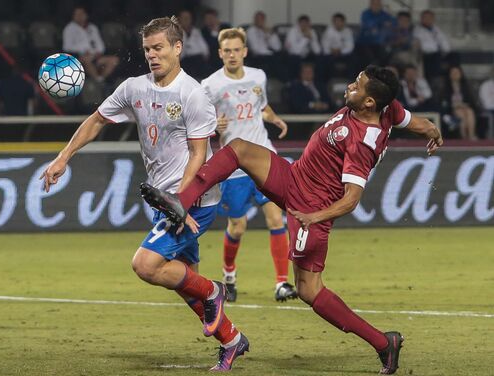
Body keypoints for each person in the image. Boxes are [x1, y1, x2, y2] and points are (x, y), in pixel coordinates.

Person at [141, 65, 443, 375]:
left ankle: (383, 343)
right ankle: (181, 201)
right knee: (239, 149)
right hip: (294, 177)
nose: (350, 85)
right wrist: (432, 129)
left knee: (309, 290)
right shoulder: (386, 106)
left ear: (369, 103)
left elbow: (351, 198)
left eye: (357, 85)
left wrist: (315, 216)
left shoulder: (362, 141)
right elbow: (413, 121)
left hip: (311, 207)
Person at [42, 16, 249, 371]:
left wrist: (180, 204)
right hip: (163, 200)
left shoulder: (193, 94)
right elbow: (96, 119)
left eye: (159, 48)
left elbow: (199, 154)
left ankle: (216, 291)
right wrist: (64, 155)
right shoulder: (134, 87)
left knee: (146, 265)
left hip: (193, 198)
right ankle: (232, 340)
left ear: (177, 48)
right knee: (186, 282)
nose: (152, 55)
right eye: (147, 49)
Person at [200, 27, 296, 303]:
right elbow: (199, 119)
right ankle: (229, 276)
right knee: (238, 226)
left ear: (244, 51)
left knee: (277, 218)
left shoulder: (258, 76)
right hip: (235, 166)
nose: (232, 55)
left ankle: (281, 283)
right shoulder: (210, 85)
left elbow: (261, 106)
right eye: (226, 50)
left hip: (264, 158)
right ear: (220, 53)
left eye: (236, 50)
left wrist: (275, 119)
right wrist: (212, 125)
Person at [62, 6, 119, 82]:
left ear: (86, 15)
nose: (80, 16)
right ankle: (97, 81)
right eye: (77, 14)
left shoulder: (92, 27)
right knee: (87, 60)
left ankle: (101, 79)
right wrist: (84, 49)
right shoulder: (69, 28)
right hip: (78, 58)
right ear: (73, 16)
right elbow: (67, 47)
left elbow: (100, 45)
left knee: (114, 60)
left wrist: (97, 52)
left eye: (82, 14)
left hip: (95, 56)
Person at [440, 65, 478, 140]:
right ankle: (463, 136)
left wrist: (464, 105)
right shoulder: (445, 87)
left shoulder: (466, 86)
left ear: (461, 74)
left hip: (465, 108)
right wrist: (454, 105)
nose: (455, 75)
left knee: (470, 112)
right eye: (453, 73)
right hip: (451, 110)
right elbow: (443, 102)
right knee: (460, 113)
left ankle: (471, 135)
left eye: (457, 73)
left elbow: (471, 101)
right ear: (449, 75)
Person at [413, 10, 451, 80]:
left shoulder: (436, 29)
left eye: (430, 18)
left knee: (455, 56)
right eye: (425, 18)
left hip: (439, 54)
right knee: (435, 58)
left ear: (433, 19)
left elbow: (445, 43)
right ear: (421, 19)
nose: (428, 20)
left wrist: (444, 51)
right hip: (427, 55)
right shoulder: (417, 30)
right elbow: (424, 47)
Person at [178, 9, 209, 80]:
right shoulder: (175, 32)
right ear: (179, 19)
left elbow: (204, 48)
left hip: (198, 61)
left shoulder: (196, 31)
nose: (186, 20)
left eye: (188, 18)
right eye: (184, 18)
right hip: (183, 62)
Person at [201, 8, 231, 73]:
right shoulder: (203, 31)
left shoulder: (226, 27)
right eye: (207, 18)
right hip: (212, 58)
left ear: (216, 18)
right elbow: (210, 46)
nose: (210, 20)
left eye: (212, 18)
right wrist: (214, 32)